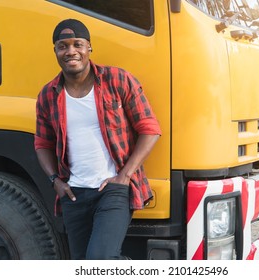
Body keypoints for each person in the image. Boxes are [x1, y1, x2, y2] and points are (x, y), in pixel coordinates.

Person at [34, 18, 161, 260]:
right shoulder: (48, 95)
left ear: (89, 47)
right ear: (55, 51)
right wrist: (55, 182)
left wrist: (124, 176)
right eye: (63, 46)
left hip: (112, 189)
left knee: (99, 261)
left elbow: (150, 129)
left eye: (77, 44)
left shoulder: (117, 80)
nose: (71, 51)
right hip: (73, 193)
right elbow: (42, 144)